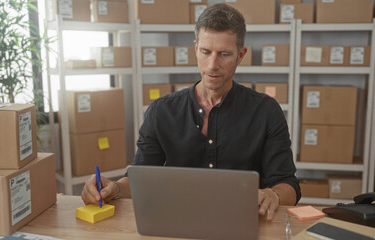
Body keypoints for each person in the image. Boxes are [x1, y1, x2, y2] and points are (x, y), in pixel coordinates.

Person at [82, 3, 301, 221]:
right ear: (195, 48)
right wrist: (114, 188)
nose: (212, 65)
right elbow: (141, 178)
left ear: (241, 55)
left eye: (224, 54)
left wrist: (273, 194)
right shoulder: (161, 111)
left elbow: (289, 185)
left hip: (244, 224)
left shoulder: (266, 112)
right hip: (178, 223)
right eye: (206, 52)